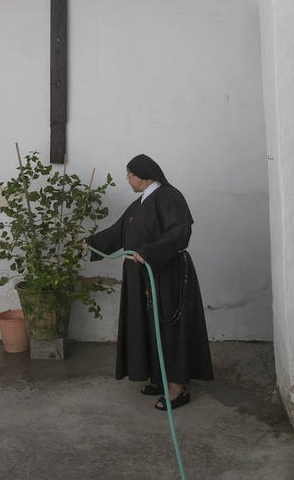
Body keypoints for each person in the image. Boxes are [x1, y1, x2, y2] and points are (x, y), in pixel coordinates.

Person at [84, 154, 213, 410]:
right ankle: (159, 377)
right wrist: (93, 241)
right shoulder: (138, 204)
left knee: (169, 328)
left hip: (168, 274)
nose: (128, 180)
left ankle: (178, 388)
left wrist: (151, 252)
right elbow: (119, 232)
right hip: (140, 276)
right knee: (147, 326)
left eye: (130, 175)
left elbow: (180, 232)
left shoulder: (170, 196)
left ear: (143, 175)